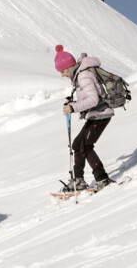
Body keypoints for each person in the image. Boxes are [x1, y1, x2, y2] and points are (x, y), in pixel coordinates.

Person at [54, 45, 116, 192]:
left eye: (62, 71)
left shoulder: (83, 76)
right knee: (77, 145)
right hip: (96, 114)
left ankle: (102, 179)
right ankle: (78, 180)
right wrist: (73, 104)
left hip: (101, 114)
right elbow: (90, 98)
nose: (62, 75)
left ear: (68, 67)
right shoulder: (80, 75)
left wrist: (73, 108)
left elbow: (93, 100)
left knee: (85, 146)